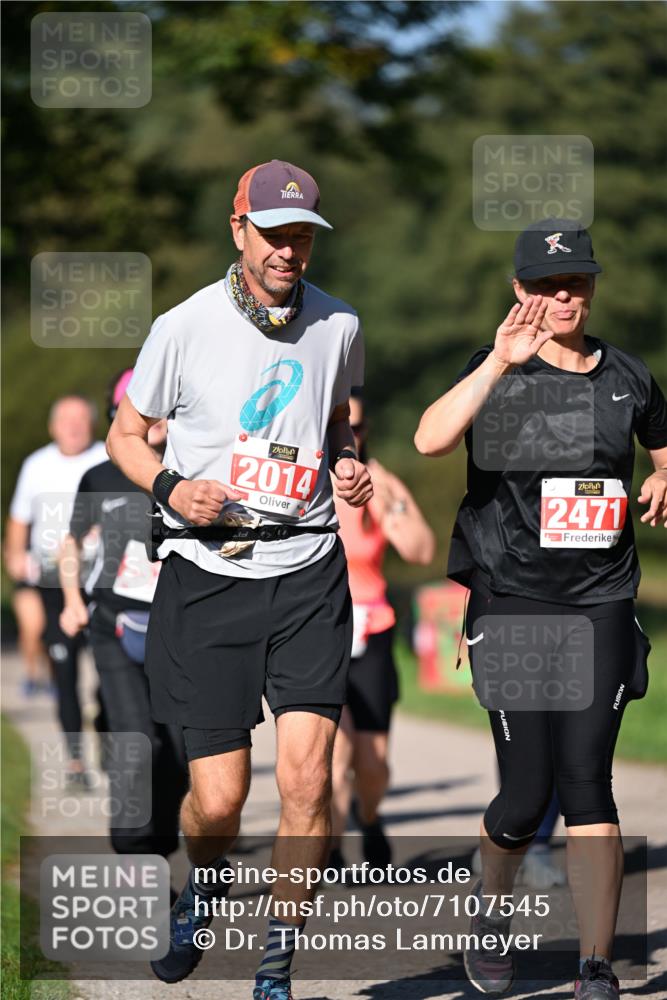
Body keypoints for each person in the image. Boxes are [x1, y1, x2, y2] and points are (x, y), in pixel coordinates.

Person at [106, 160, 371, 1000]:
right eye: (272, 233)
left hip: (307, 571)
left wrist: (351, 466)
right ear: (238, 230)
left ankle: (276, 966)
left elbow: (342, 419)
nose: (288, 250)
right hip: (208, 572)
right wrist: (171, 487)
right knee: (217, 803)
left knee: (304, 781)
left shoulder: (339, 325)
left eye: (301, 234)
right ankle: (204, 880)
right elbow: (126, 435)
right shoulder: (181, 327)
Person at [415, 218, 667, 999]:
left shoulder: (626, 376)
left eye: (577, 282)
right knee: (524, 797)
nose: (564, 296)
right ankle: (491, 915)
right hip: (513, 600)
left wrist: (663, 473)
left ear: (591, 287)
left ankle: (595, 965)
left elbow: (661, 439)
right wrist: (497, 361)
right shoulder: (496, 371)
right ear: (520, 290)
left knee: (587, 780)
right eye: (548, 285)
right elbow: (427, 439)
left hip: (599, 600)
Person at [58, 369, 188, 864]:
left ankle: (161, 845)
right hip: (114, 624)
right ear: (120, 416)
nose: (157, 420)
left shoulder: (187, 470)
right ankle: (134, 851)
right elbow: (70, 543)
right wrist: (72, 600)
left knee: (178, 753)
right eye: (144, 411)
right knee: (139, 741)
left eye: (164, 411)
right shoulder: (99, 476)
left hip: (175, 630)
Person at [330, 389, 435, 870]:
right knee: (333, 757)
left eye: (358, 427)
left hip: (372, 629)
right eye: (340, 425)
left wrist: (390, 507)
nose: (349, 436)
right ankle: (326, 846)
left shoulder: (380, 483)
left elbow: (422, 551)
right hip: (319, 630)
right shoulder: (303, 482)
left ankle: (368, 816)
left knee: (371, 766)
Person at [5, 396, 108, 783]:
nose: (74, 427)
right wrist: (15, 556)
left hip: (102, 578)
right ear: (53, 427)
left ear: (92, 425)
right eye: (66, 420)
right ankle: (76, 763)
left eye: (81, 420)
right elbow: (18, 520)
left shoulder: (107, 458)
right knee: (64, 673)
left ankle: (108, 737)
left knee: (108, 674)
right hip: (50, 579)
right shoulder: (36, 464)